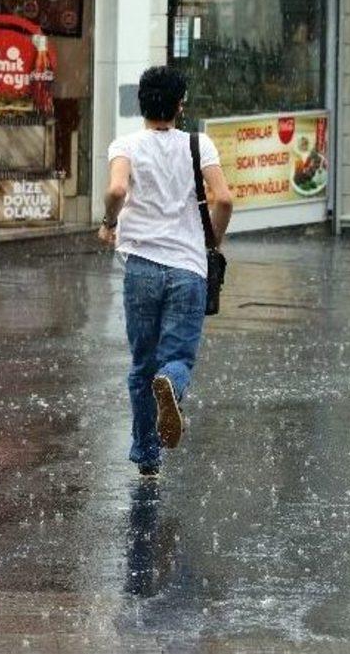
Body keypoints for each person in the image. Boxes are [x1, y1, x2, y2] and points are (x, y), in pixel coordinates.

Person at [98, 66, 233, 478]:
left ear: (142, 102)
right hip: (187, 268)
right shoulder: (199, 144)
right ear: (180, 104)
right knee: (176, 358)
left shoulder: (126, 144)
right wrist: (212, 240)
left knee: (142, 363)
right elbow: (223, 198)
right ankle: (171, 386)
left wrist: (108, 223)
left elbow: (118, 190)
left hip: (141, 267)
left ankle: (147, 457)